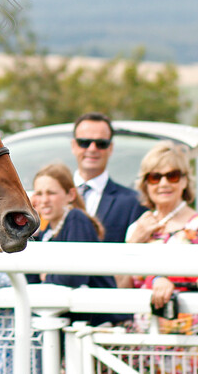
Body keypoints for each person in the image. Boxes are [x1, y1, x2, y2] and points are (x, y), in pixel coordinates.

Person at [28, 162, 126, 326]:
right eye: (39, 193)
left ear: (70, 195)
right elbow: (30, 277)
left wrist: (46, 275)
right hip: (72, 323)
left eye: (51, 193)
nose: (44, 200)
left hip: (98, 323)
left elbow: (73, 275)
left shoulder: (75, 218)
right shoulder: (46, 233)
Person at [126, 141, 198, 342]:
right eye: (155, 177)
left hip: (189, 337)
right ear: (146, 184)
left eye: (172, 176)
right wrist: (134, 242)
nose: (164, 183)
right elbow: (122, 285)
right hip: (144, 336)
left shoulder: (195, 225)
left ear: (184, 181)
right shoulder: (137, 227)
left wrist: (166, 280)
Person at [71, 112, 146, 287]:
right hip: (55, 304)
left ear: (110, 148)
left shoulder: (133, 202)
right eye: (84, 142)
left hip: (106, 303)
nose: (92, 148)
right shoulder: (49, 196)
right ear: (73, 145)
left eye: (101, 144)